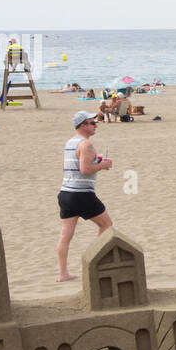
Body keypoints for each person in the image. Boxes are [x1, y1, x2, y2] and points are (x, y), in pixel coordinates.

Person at [56, 111, 113, 282]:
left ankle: (63, 273)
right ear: (83, 125)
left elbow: (69, 166)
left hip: (65, 193)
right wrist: (102, 165)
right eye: (92, 122)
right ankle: (95, 263)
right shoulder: (86, 144)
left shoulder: (70, 143)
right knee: (107, 226)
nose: (96, 125)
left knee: (65, 235)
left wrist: (97, 163)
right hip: (81, 194)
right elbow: (85, 170)